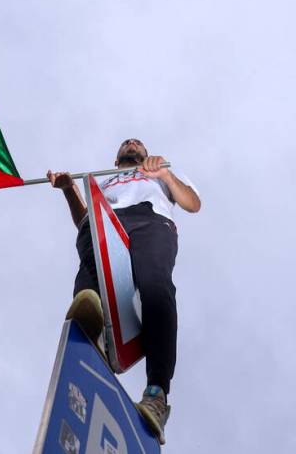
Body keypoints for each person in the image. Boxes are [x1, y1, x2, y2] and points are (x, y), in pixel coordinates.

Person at [47, 138, 201, 444]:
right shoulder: (106, 179)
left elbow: (192, 204)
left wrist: (165, 176)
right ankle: (96, 339)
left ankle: (156, 396)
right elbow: (84, 219)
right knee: (90, 272)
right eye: (126, 144)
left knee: (155, 285)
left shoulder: (160, 171)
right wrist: (68, 190)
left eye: (138, 143)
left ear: (144, 153)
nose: (132, 143)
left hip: (150, 220)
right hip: (106, 223)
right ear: (117, 160)